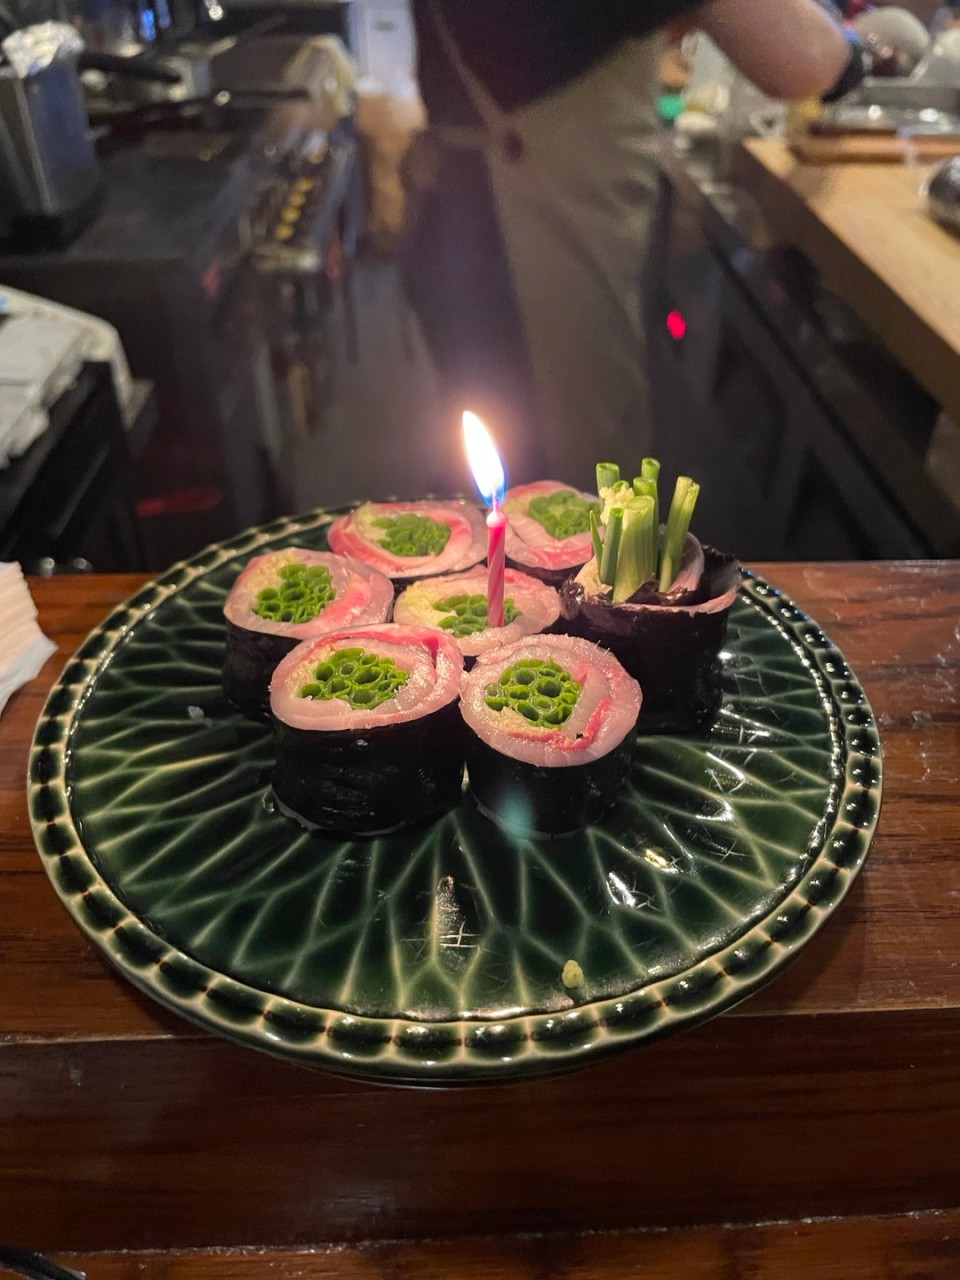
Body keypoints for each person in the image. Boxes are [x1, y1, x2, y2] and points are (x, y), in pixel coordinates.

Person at [399, 0, 863, 489]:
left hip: (468, 219)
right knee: (572, 500)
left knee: (519, 493)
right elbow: (801, 59)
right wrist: (860, 49)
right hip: (522, 235)